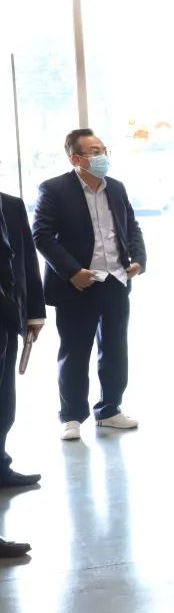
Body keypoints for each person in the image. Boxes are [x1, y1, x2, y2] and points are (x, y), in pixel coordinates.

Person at [32, 128, 145, 442]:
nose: (101, 156)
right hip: (78, 284)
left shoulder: (116, 188)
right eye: (94, 152)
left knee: (115, 350)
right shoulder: (54, 189)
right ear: (76, 159)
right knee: (75, 352)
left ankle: (109, 409)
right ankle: (71, 417)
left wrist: (138, 259)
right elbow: (42, 235)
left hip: (116, 281)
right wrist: (72, 271)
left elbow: (131, 226)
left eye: (103, 150)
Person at [0, 191, 46, 488]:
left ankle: (0, 466)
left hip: (7, 316)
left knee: (5, 401)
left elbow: (28, 260)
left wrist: (35, 313)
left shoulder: (11, 205)